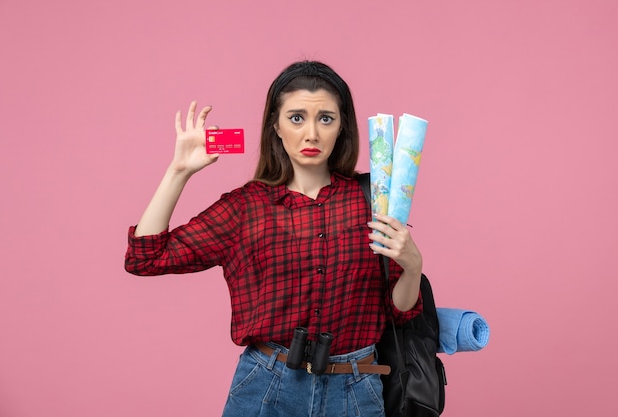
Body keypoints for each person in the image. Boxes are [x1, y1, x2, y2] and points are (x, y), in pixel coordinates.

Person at [125, 60, 423, 417]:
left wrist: (412, 266)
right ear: (276, 127)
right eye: (297, 118)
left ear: (342, 127)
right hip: (267, 387)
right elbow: (145, 258)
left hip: (356, 391)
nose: (311, 133)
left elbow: (399, 314)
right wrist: (178, 171)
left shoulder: (373, 200)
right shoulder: (246, 207)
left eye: (325, 118)